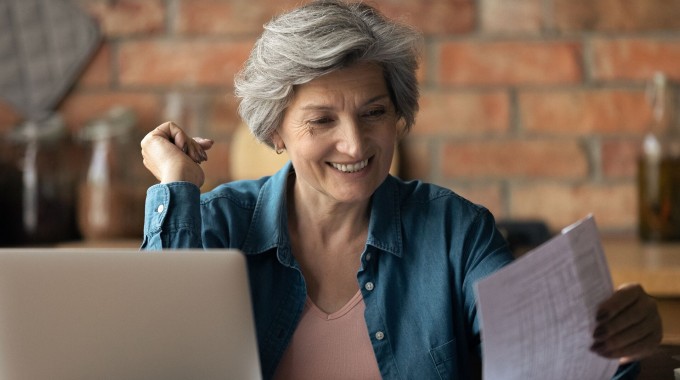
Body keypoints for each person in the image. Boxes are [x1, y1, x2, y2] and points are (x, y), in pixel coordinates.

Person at [140, 1, 662, 379]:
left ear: (398, 116)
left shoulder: (456, 231)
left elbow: (543, 359)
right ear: (275, 130)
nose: (354, 144)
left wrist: (614, 343)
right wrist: (178, 187)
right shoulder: (219, 224)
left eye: (374, 113)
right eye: (321, 121)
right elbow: (156, 355)